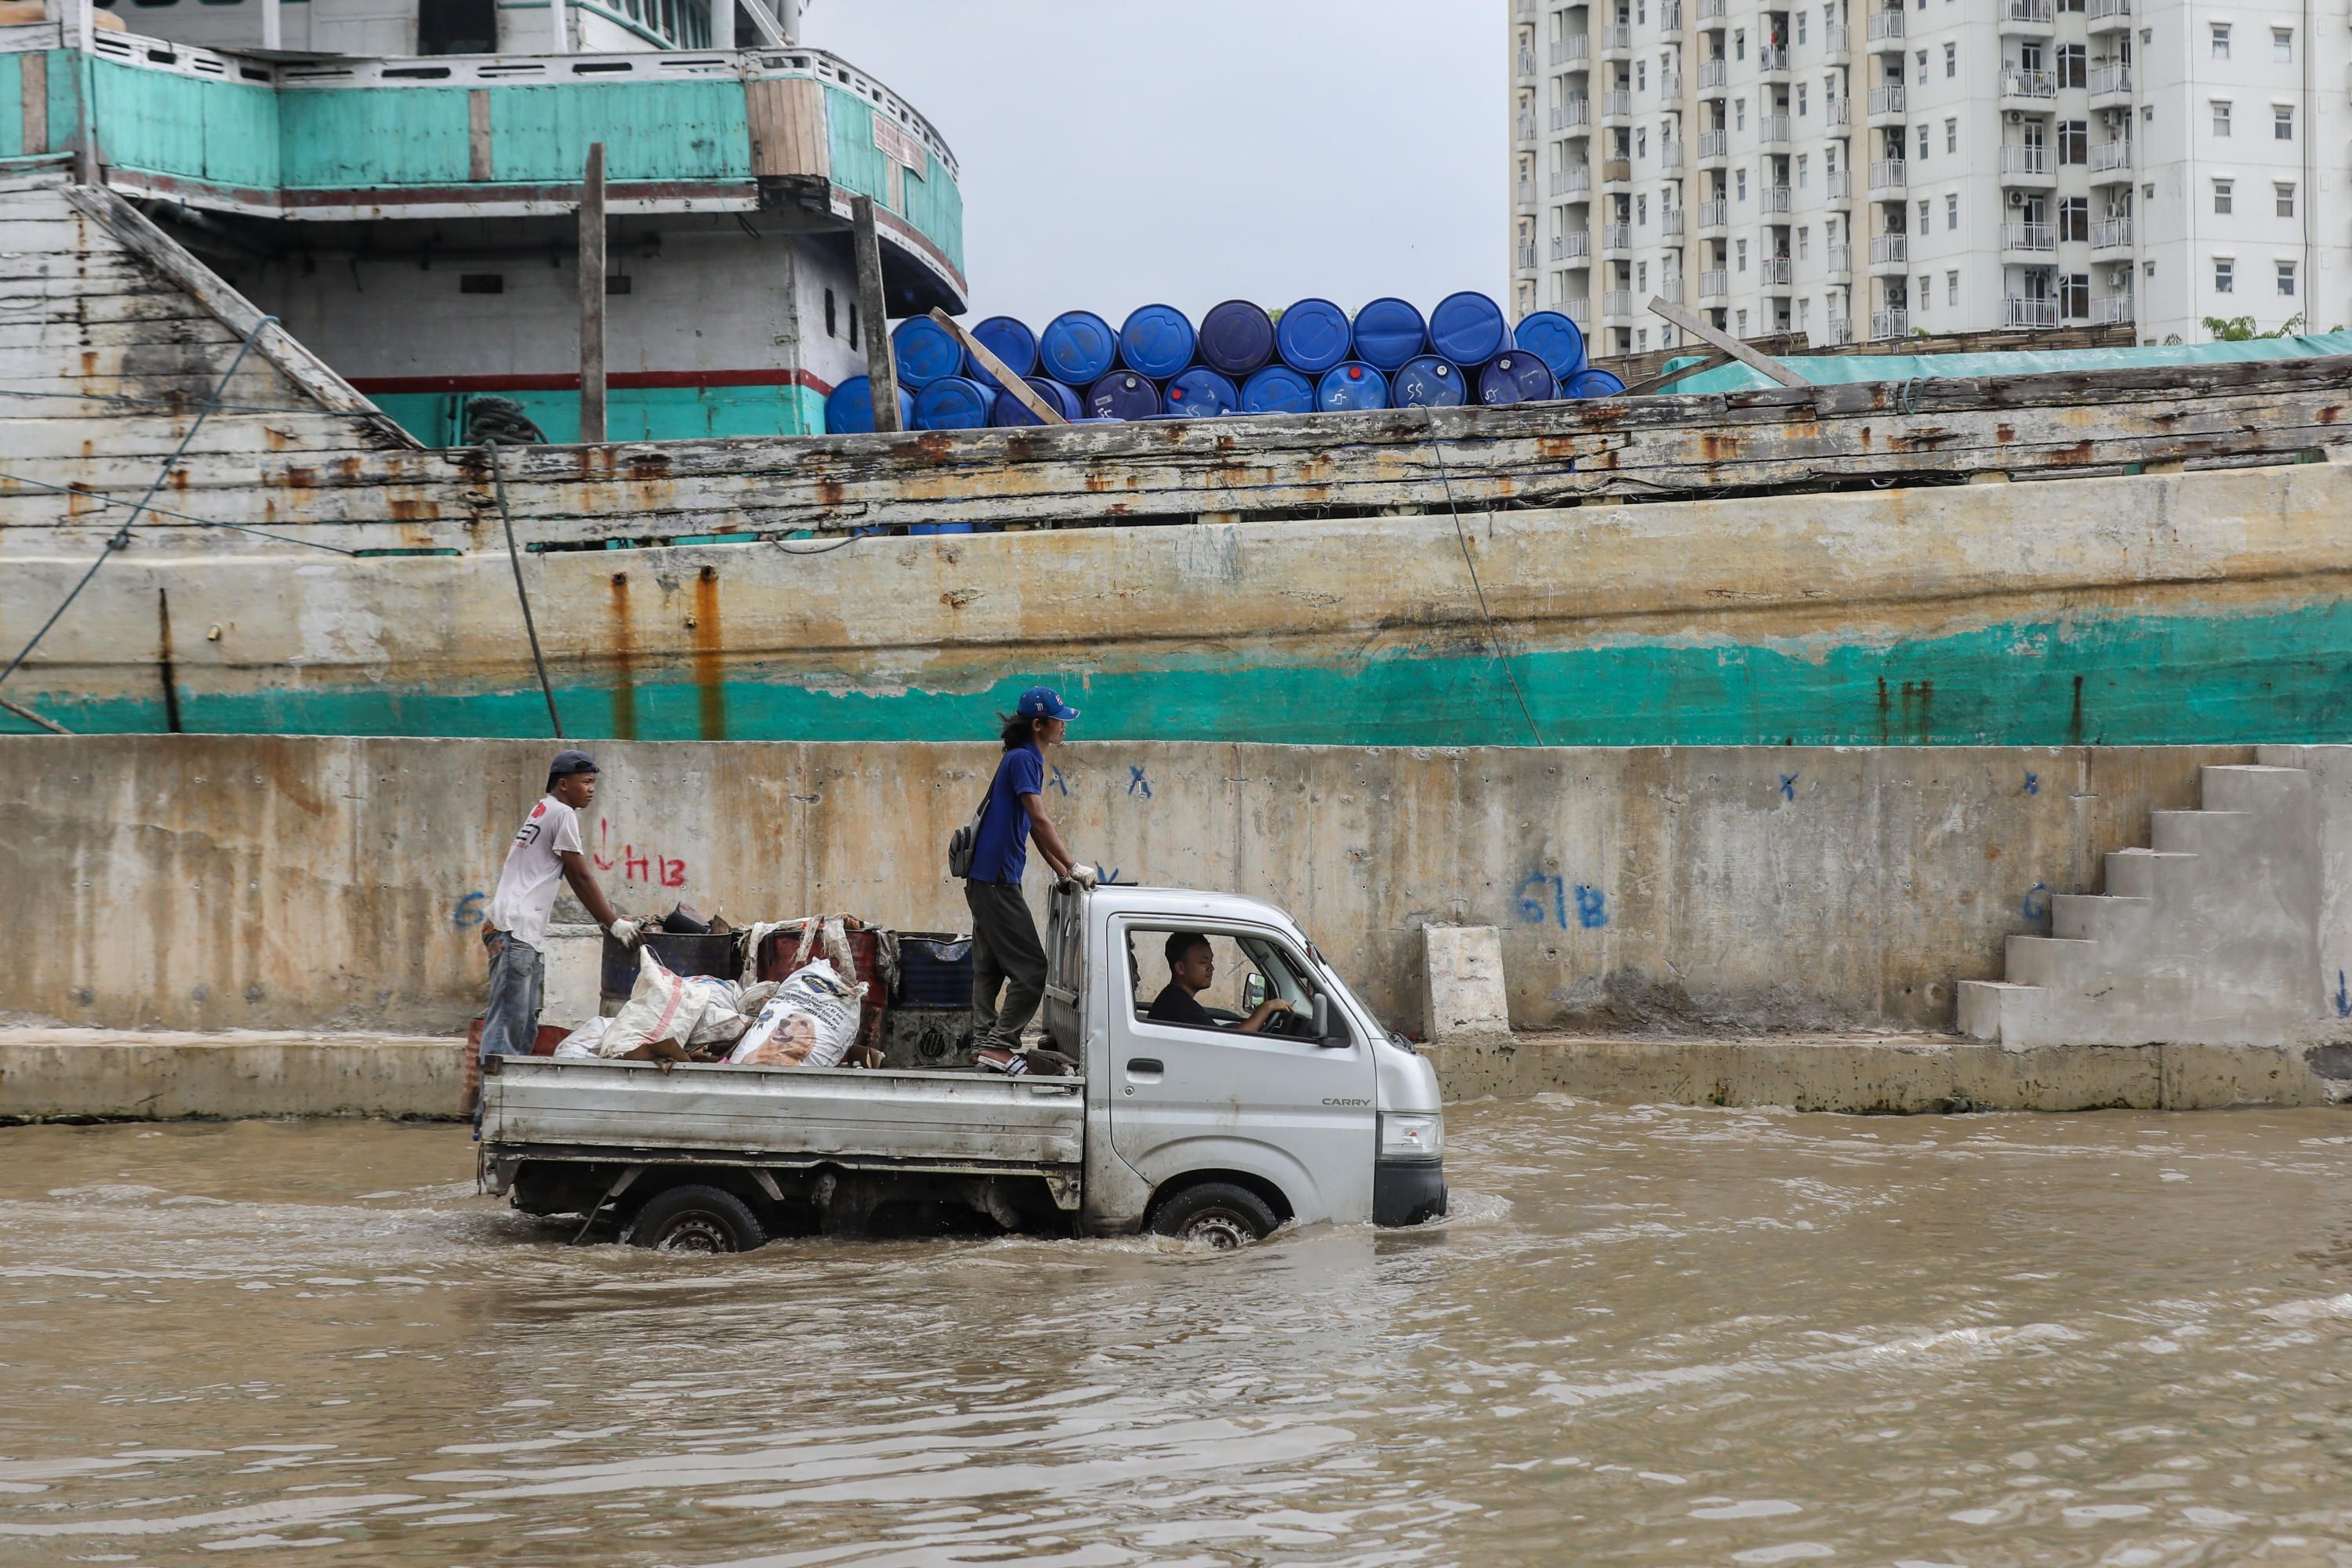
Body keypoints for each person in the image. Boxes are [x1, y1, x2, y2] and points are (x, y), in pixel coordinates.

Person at [964, 686, 1099, 1056]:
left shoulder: (1020, 757)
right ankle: (1001, 1044)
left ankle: (983, 1043)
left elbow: (1030, 829)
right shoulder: (1025, 759)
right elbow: (1039, 819)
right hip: (996, 881)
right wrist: (1073, 865)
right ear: (1039, 725)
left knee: (990, 967)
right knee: (1032, 971)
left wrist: (1062, 871)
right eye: (1059, 720)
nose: (1064, 725)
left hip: (988, 878)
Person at [481, 750, 640, 1065]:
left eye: (594, 782)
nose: (592, 789)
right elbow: (578, 874)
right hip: (516, 932)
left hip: (519, 932)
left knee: (523, 1026)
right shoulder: (562, 813)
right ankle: (491, 1108)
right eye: (587, 782)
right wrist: (613, 922)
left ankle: (504, 1104)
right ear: (564, 784)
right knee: (507, 1031)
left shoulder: (543, 809)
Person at [1146, 932, 1294, 1033]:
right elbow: (1231, 1041)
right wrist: (1266, 1007)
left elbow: (1217, 1032)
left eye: (1211, 961)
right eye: (1203, 962)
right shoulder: (1178, 1007)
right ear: (1181, 968)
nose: (1211, 968)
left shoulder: (1176, 1000)